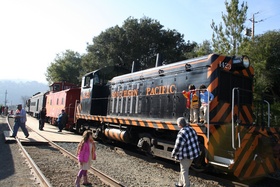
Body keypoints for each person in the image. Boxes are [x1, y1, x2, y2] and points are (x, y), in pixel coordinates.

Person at [171, 117, 200, 187]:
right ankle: (180, 183)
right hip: (192, 154)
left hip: (186, 155)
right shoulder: (192, 129)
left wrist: (173, 154)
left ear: (180, 125)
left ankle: (187, 185)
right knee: (183, 169)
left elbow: (178, 146)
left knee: (184, 171)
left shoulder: (182, 133)